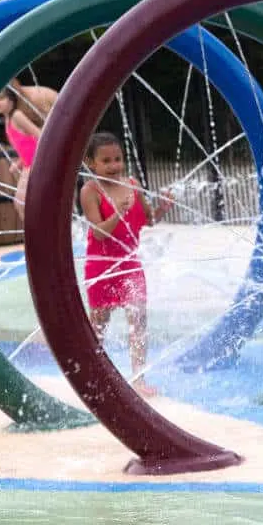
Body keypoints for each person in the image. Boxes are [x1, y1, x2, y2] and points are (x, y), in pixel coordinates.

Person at [80, 132, 172, 397]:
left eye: (118, 159)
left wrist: (163, 207)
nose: (114, 166)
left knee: (139, 320)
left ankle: (139, 378)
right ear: (91, 163)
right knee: (98, 325)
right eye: (106, 160)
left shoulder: (132, 185)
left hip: (129, 264)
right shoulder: (90, 191)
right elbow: (98, 233)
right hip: (101, 266)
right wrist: (118, 212)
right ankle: (92, 375)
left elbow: (148, 220)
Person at [0, 85, 42, 224]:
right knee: (23, 203)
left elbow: (40, 136)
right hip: (28, 165)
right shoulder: (8, 120)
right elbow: (27, 144)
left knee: (21, 202)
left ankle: (36, 237)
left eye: (1, 98)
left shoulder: (17, 116)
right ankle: (36, 235)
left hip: (35, 164)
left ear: (12, 100)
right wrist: (18, 163)